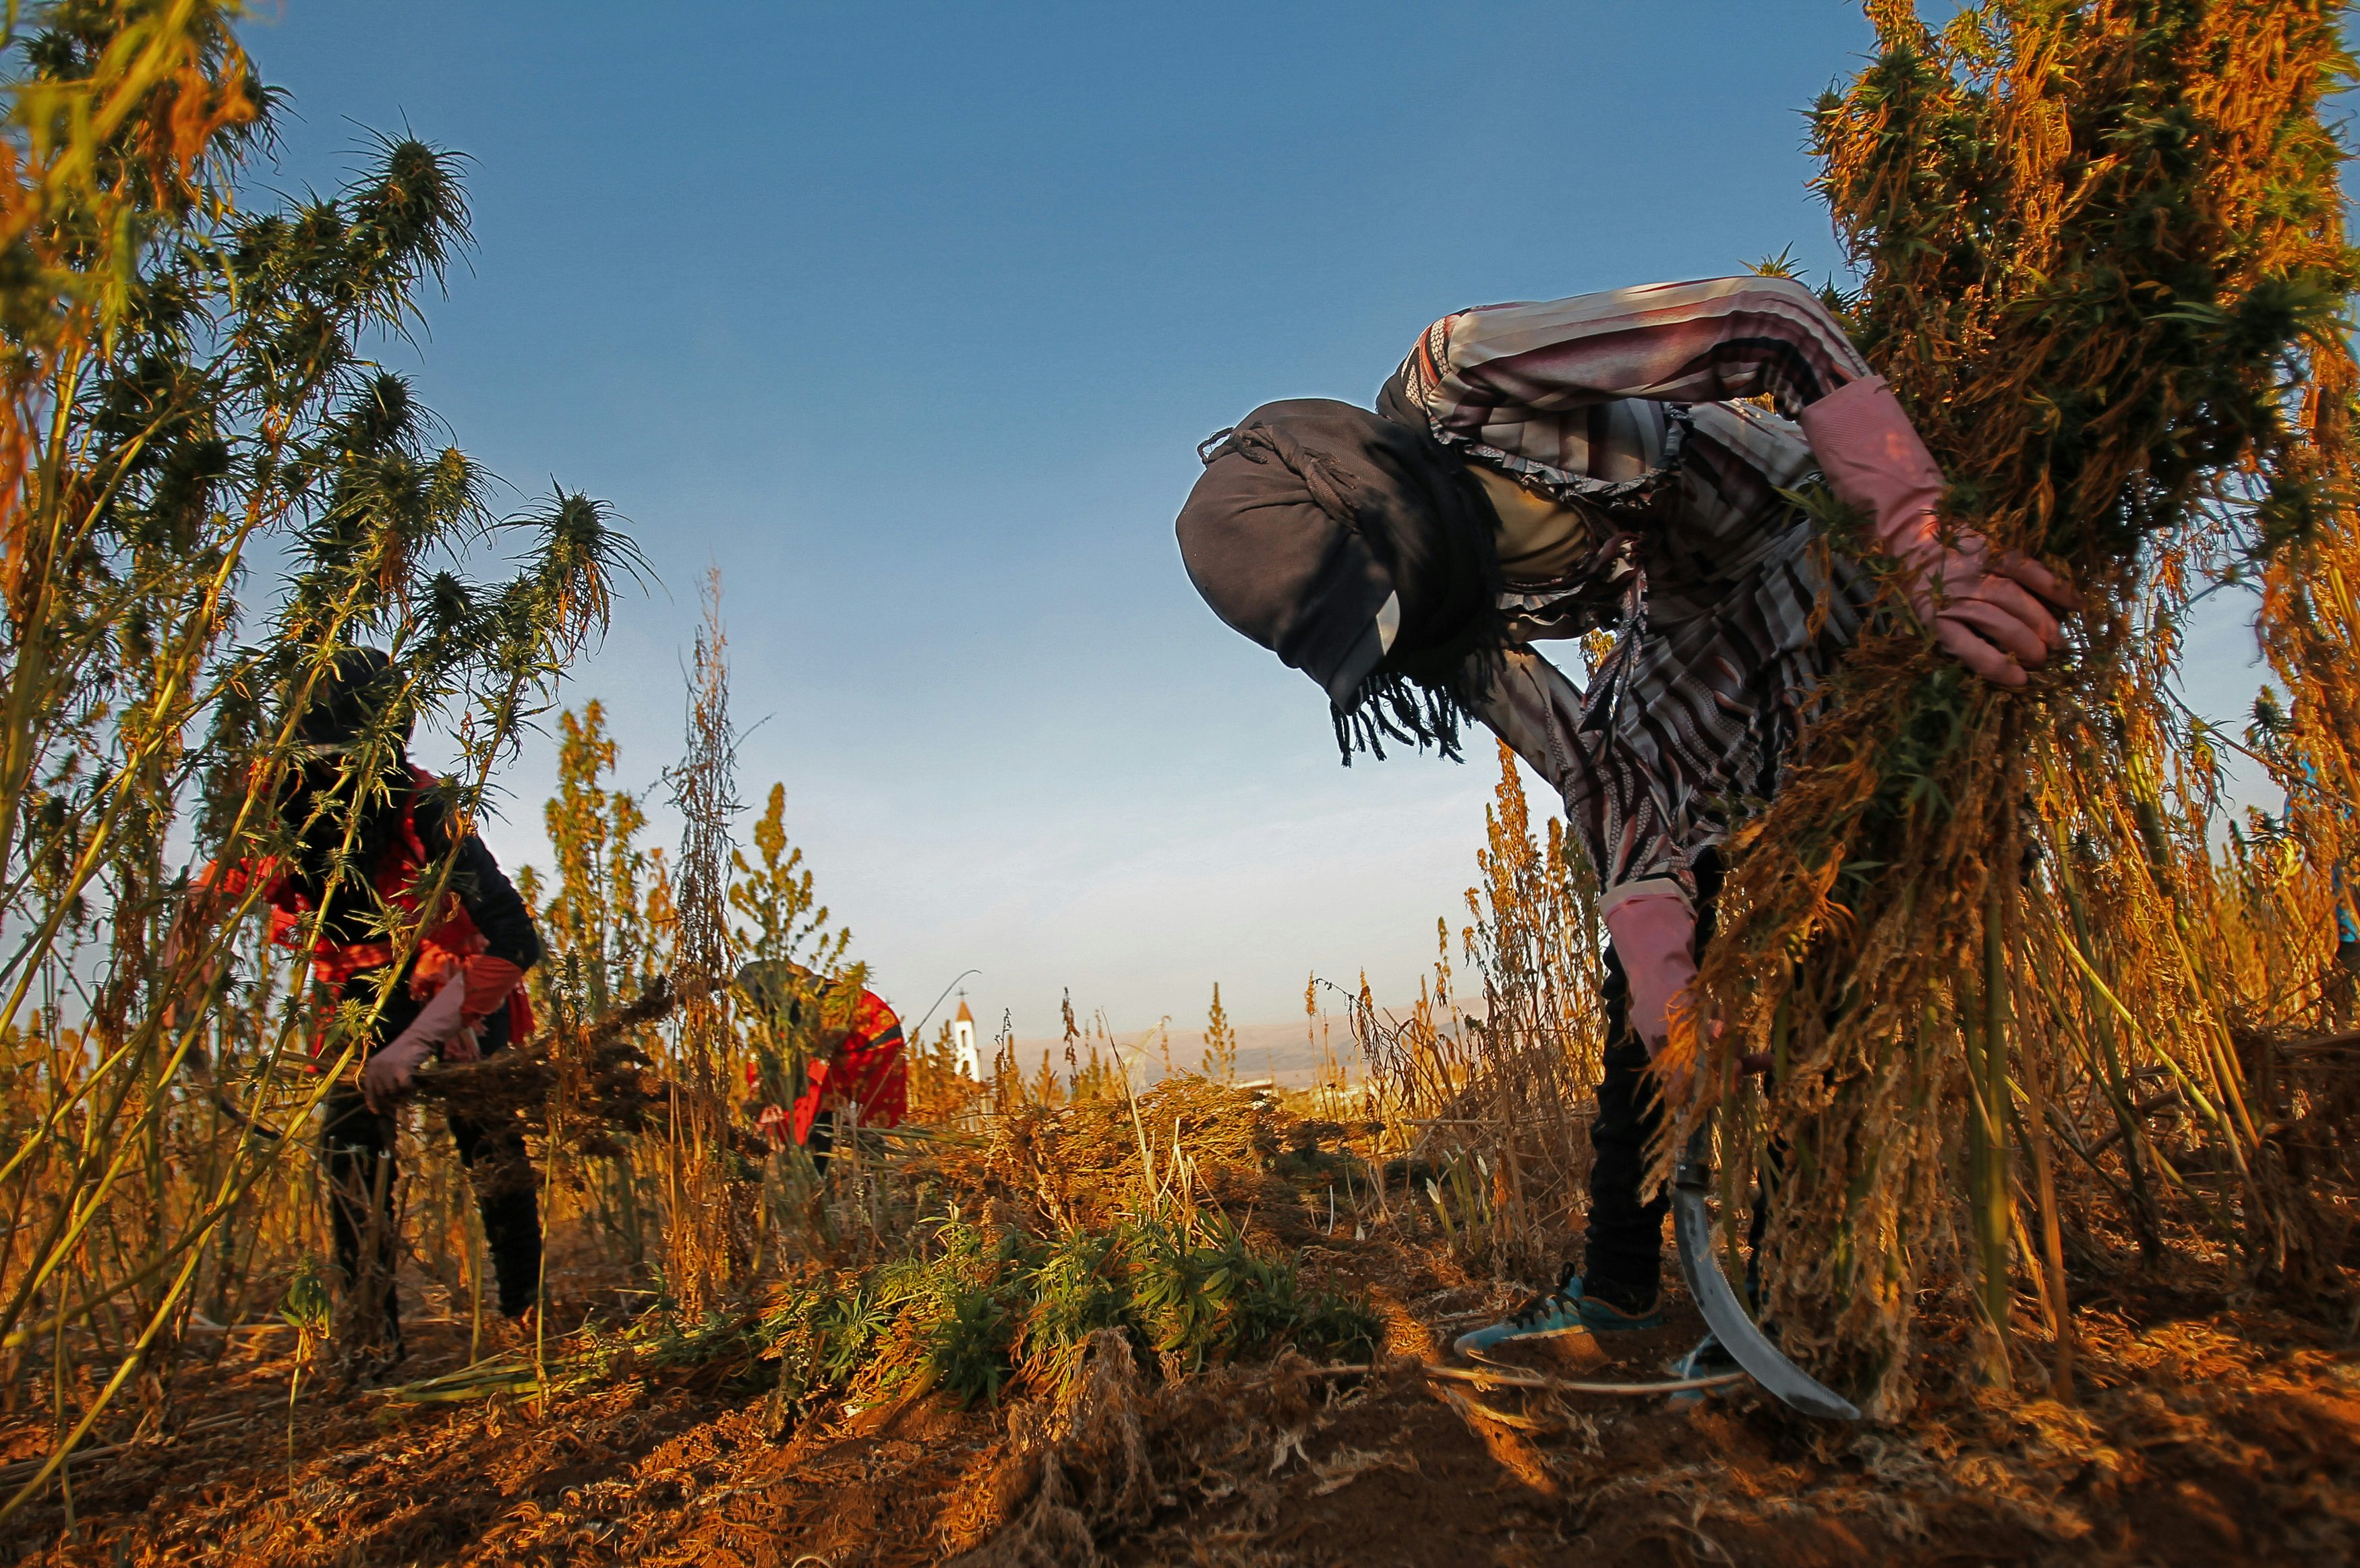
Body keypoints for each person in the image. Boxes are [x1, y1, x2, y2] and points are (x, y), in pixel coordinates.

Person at [1173, 275, 2076, 1353]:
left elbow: (1771, 326)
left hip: (1807, 526)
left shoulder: (1465, 375)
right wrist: (1659, 958)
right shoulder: (1439, 626)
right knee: (1653, 962)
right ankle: (1618, 1280)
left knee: (1817, 913)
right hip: (1685, 626)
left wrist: (1920, 532)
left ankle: (1799, 1299)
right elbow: (1592, 768)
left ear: (1374, 498)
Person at [177, 649, 544, 1374]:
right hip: (351, 990)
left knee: (490, 1144)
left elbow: (512, 936)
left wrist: (413, 1047)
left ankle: (520, 1317)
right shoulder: (280, 805)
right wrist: (178, 980)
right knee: (349, 1156)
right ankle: (373, 1343)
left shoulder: (426, 804)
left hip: (458, 978)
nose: (328, 787)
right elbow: (206, 900)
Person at [736, 960, 908, 1172]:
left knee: (869, 1122)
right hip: (847, 1048)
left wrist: (767, 1097)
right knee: (825, 1112)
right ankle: (818, 1179)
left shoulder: (803, 1000)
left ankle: (876, 1180)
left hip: (876, 1041)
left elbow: (799, 1058)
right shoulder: (796, 998)